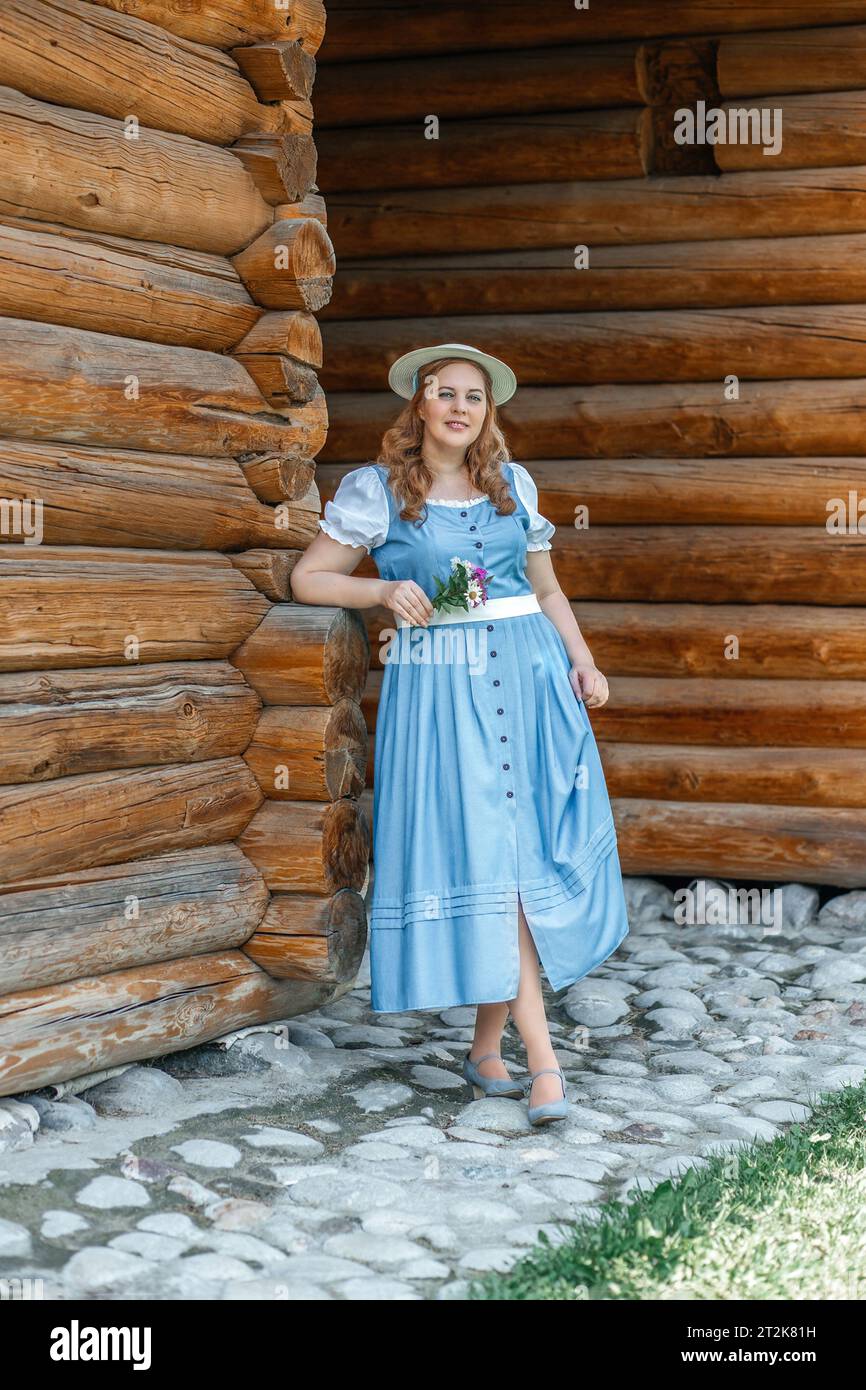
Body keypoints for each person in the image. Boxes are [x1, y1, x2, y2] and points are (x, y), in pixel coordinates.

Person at [291, 342, 630, 1125]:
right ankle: (543, 1066)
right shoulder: (377, 493)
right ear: (418, 403)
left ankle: (486, 1050)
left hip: (532, 678)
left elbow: (547, 589)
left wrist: (584, 664)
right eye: (443, 393)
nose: (458, 407)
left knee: (518, 856)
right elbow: (308, 577)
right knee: (489, 859)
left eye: (473, 397)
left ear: (487, 412)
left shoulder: (512, 484)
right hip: (442, 693)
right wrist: (382, 588)